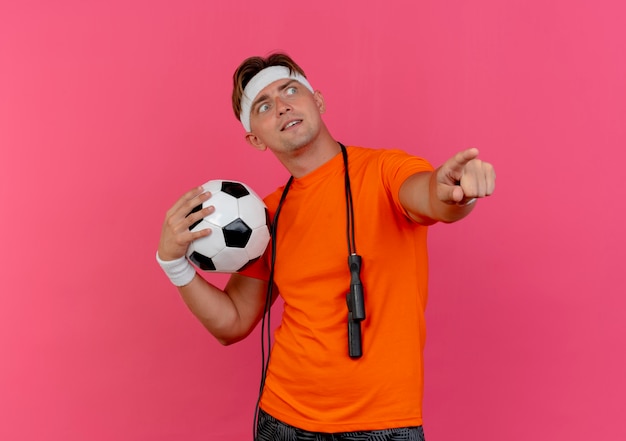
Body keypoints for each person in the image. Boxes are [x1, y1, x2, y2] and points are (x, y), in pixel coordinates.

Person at [157, 52, 496, 441]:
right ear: (255, 138)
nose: (283, 106)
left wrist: (457, 193)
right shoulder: (263, 216)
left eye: (291, 90)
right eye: (265, 105)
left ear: (317, 100)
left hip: (383, 425)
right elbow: (231, 323)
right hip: (283, 419)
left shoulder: (386, 170)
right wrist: (173, 263)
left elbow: (431, 197)